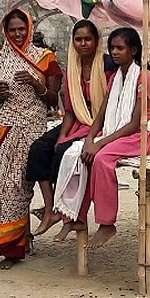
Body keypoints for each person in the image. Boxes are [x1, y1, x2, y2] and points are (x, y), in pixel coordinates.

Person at [0, 9, 62, 271]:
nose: (17, 34)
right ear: (6, 31)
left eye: (21, 29)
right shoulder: (1, 59)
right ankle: (13, 244)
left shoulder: (45, 58)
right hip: (6, 128)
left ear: (29, 28)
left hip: (31, 128)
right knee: (1, 187)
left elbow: (53, 99)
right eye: (12, 30)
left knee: (19, 187)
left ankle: (6, 248)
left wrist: (37, 84)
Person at [78, 27, 150, 250]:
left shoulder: (143, 78)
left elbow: (136, 123)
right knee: (77, 153)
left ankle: (107, 223)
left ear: (133, 50)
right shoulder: (117, 77)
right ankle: (73, 215)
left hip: (145, 134)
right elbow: (102, 113)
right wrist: (90, 138)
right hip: (121, 130)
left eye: (120, 48)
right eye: (112, 48)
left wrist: (101, 143)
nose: (114, 52)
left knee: (102, 158)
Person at [27, 20, 115, 240]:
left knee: (64, 153)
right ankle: (50, 209)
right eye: (78, 39)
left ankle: (66, 212)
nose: (83, 43)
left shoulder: (107, 66)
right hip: (78, 122)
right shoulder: (72, 69)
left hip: (102, 124)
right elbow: (70, 110)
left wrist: (72, 139)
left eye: (88, 39)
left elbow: (109, 107)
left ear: (96, 41)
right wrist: (63, 134)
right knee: (39, 148)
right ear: (73, 42)